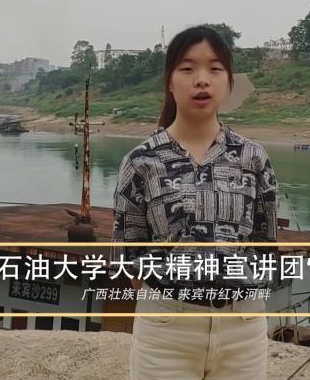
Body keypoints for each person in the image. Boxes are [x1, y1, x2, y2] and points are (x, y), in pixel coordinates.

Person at [109, 25, 279, 380]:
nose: (201, 80)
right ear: (170, 82)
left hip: (243, 330)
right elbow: (128, 253)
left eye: (214, 69)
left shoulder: (252, 157)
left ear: (228, 82)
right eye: (187, 69)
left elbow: (265, 244)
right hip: (165, 332)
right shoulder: (141, 162)